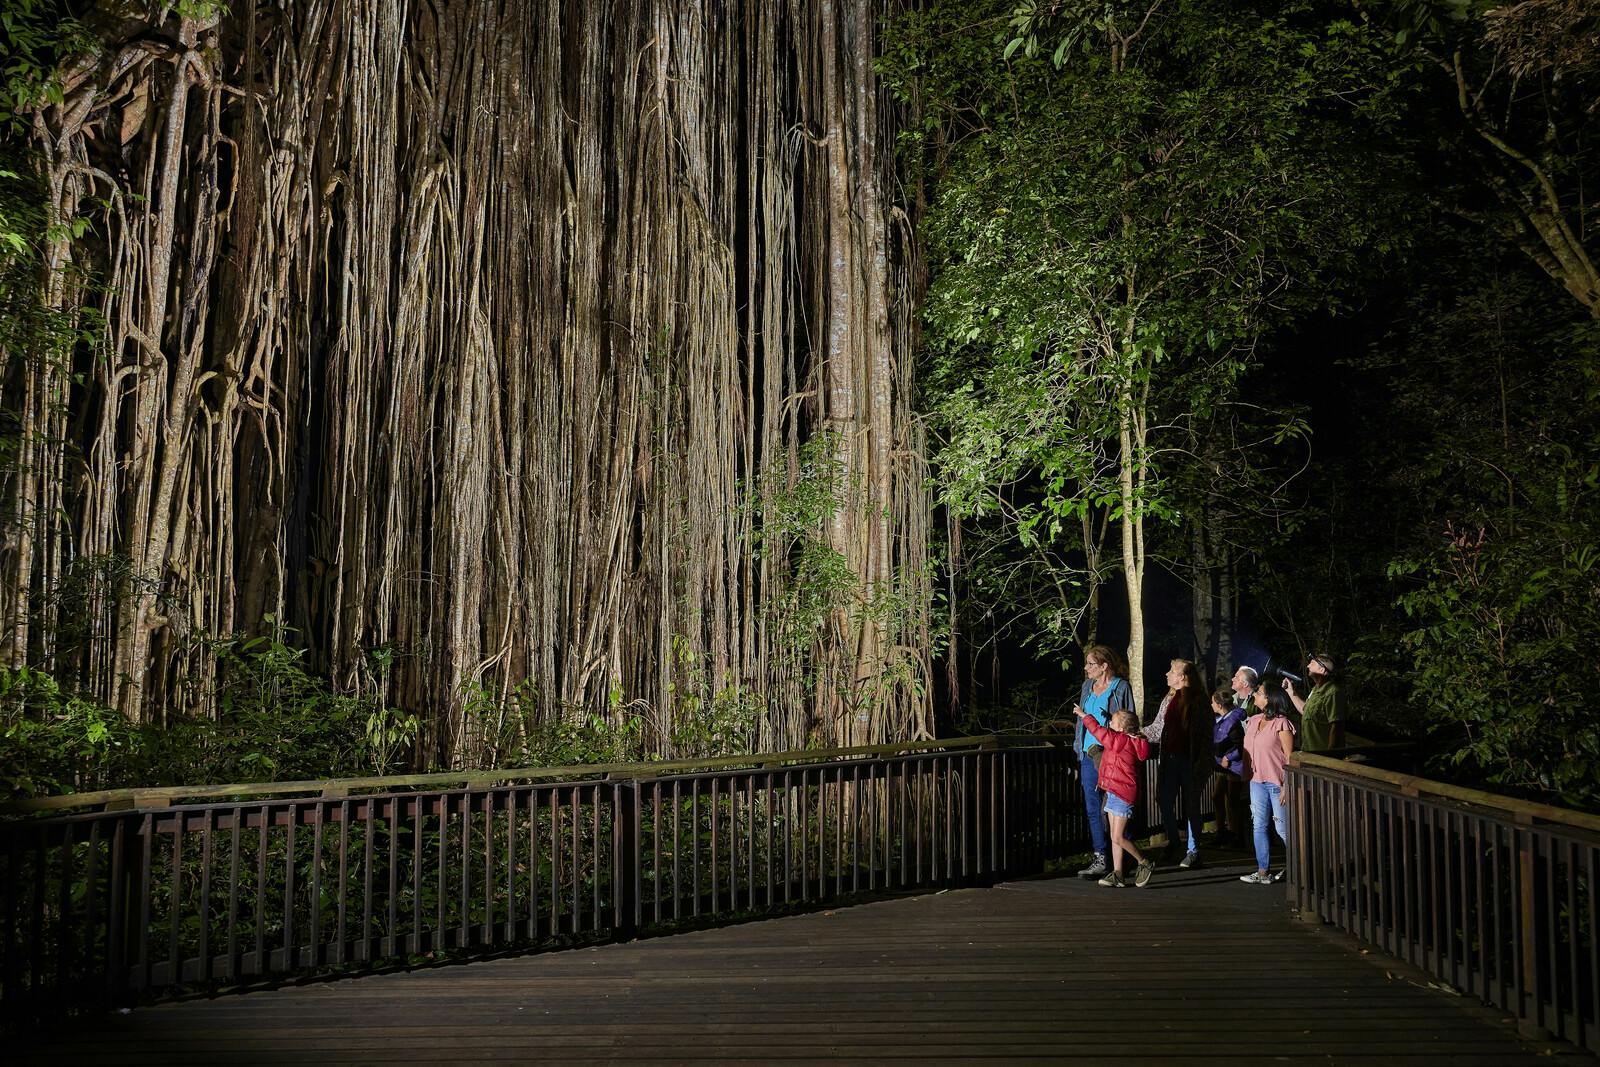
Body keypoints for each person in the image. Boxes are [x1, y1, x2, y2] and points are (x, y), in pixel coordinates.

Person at [1070, 644, 1135, 880]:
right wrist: (1079, 751)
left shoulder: (1121, 688)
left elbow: (1129, 722)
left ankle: (1123, 859)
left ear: (1104, 666)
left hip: (1112, 755)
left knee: (1116, 807)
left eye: (1091, 664)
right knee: (1092, 806)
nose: (1086, 668)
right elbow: (1081, 723)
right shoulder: (1087, 687)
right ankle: (1100, 856)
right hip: (1089, 754)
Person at [1074, 707, 1155, 888]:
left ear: (1121, 728)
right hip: (1114, 791)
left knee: (1118, 837)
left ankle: (1144, 862)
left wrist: (1084, 716)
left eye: (1113, 721)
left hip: (1121, 793)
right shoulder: (1129, 740)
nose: (1110, 723)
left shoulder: (1120, 741)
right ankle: (1118, 874)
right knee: (1114, 836)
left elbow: (1097, 731)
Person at [1151, 659, 1212, 869]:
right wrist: (1134, 733)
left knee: (1191, 805)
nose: (1167, 674)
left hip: (1190, 761)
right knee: (1164, 800)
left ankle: (1194, 851)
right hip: (1169, 760)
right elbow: (1158, 728)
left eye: (1172, 671)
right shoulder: (1169, 699)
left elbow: (1206, 736)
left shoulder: (1199, 701)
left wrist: (1202, 763)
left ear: (1183, 677)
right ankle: (1174, 839)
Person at [1240, 682, 1297, 885]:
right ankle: (1263, 871)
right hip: (1256, 781)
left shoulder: (1281, 723)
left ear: (1270, 699)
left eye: (1260, 692)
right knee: (1259, 826)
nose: (1255, 694)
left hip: (1277, 782)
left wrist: (1286, 785)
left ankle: (1301, 867)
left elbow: (1290, 757)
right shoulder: (1254, 720)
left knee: (1282, 829)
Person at [1210, 684, 1249, 847]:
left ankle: (1237, 836)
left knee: (1232, 800)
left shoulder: (1232, 721)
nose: (1211, 705)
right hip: (1224, 767)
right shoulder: (1222, 719)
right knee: (1218, 797)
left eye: (1212, 702)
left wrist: (1228, 756)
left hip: (1234, 767)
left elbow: (1240, 744)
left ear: (1219, 705)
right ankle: (1222, 832)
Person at [1286, 652, 1346, 753]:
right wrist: (1290, 692)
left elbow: (1336, 726)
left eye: (1312, 663)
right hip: (1309, 752)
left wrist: (1330, 755)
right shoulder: (1315, 690)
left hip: (1321, 756)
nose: (1308, 665)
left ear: (1322, 670)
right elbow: (1306, 712)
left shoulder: (1332, 692)